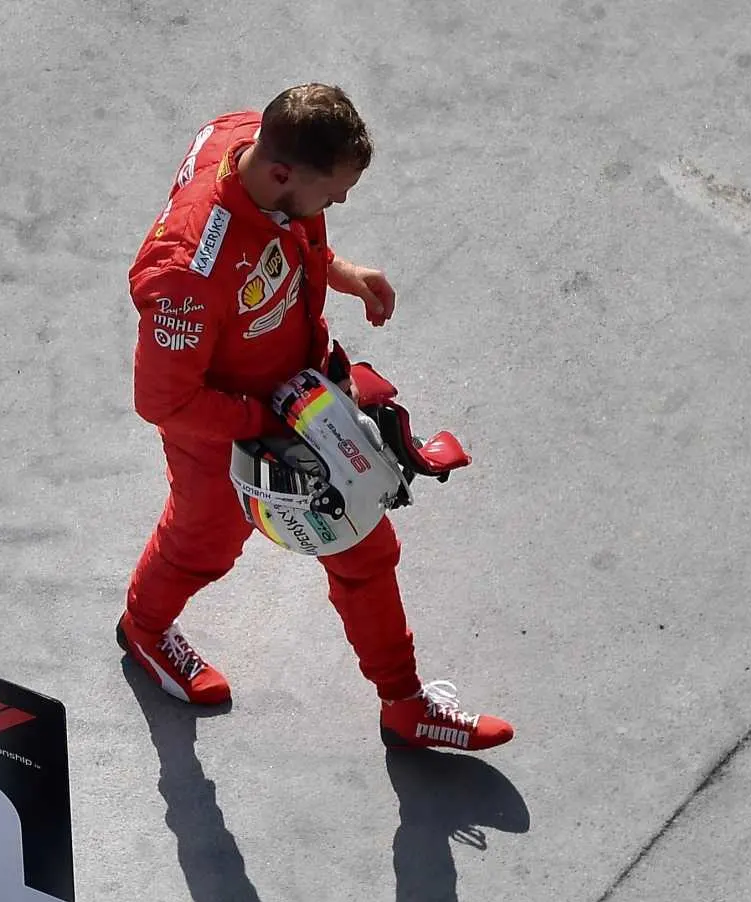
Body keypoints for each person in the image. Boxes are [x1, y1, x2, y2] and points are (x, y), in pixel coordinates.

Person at [115, 83, 515, 753]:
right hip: (225, 433)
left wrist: (342, 271)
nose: (340, 204)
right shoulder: (188, 273)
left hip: (306, 401)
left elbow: (283, 239)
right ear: (280, 172)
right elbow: (165, 401)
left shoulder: (249, 138)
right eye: (332, 195)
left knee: (366, 544)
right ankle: (145, 628)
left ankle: (405, 702)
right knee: (203, 545)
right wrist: (263, 421)